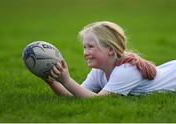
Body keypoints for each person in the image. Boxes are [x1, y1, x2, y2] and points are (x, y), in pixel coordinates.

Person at [45, 21, 176, 98]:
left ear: (110, 50)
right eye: (85, 47)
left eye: (91, 47)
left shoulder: (126, 71)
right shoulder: (99, 71)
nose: (86, 52)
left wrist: (67, 80)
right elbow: (76, 96)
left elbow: (98, 101)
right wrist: (53, 82)